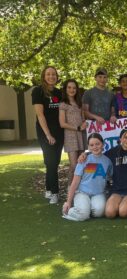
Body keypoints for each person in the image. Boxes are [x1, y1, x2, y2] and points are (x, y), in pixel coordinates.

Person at [32, 66, 64, 204]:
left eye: (53, 74)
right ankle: (55, 193)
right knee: (51, 162)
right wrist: (48, 134)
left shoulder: (59, 92)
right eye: (48, 74)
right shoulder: (38, 91)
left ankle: (48, 188)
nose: (51, 76)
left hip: (59, 131)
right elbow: (40, 115)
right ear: (44, 76)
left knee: (53, 162)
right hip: (45, 131)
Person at [62, 133, 112, 221]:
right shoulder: (83, 160)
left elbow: (110, 178)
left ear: (103, 144)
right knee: (83, 215)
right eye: (92, 145)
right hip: (82, 193)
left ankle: (86, 209)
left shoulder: (107, 161)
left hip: (98, 193)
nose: (95, 147)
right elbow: (75, 182)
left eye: (97, 144)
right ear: (88, 147)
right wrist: (68, 201)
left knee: (99, 212)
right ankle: (71, 210)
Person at [59, 79, 87, 189]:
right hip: (70, 136)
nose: (72, 90)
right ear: (65, 89)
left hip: (81, 135)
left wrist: (84, 123)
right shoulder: (63, 104)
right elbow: (62, 123)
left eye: (74, 88)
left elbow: (83, 118)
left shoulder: (80, 104)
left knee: (81, 164)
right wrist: (78, 127)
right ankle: (70, 188)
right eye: (69, 87)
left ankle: (80, 189)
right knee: (74, 165)